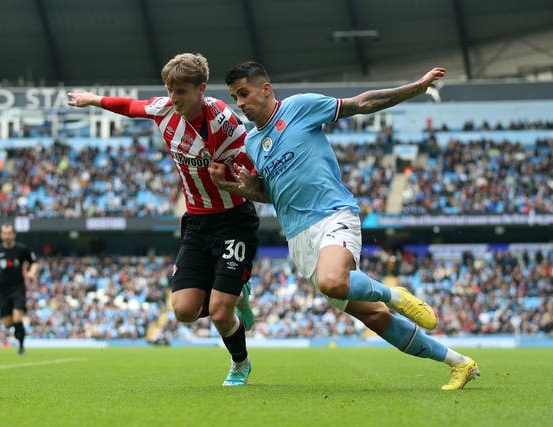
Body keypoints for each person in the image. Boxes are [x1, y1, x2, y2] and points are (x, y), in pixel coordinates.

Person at [208, 61, 480, 390]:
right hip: (299, 239)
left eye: (244, 94)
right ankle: (459, 363)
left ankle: (394, 294)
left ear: (265, 89)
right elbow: (270, 194)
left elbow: (361, 103)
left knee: (334, 281)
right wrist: (234, 187)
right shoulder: (252, 143)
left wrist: (417, 87)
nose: (240, 103)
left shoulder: (299, 107)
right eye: (235, 97)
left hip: (333, 214)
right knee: (375, 317)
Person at [67, 53, 257, 386]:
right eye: (169, 90)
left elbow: (252, 169)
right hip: (197, 222)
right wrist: (93, 100)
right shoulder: (164, 110)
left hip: (233, 219)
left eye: (180, 91)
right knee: (184, 311)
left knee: (218, 312)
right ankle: (235, 292)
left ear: (201, 89)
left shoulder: (224, 122)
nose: (173, 98)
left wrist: (229, 178)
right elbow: (130, 106)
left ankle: (240, 363)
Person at [0, 223, 38, 355]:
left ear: (14, 234)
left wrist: (32, 273)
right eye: (5, 233)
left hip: (18, 287)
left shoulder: (22, 249)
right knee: (7, 323)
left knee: (17, 318)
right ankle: (19, 332)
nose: (7, 236)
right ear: (1, 235)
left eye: (9, 233)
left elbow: (34, 262)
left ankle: (21, 346)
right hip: (2, 289)